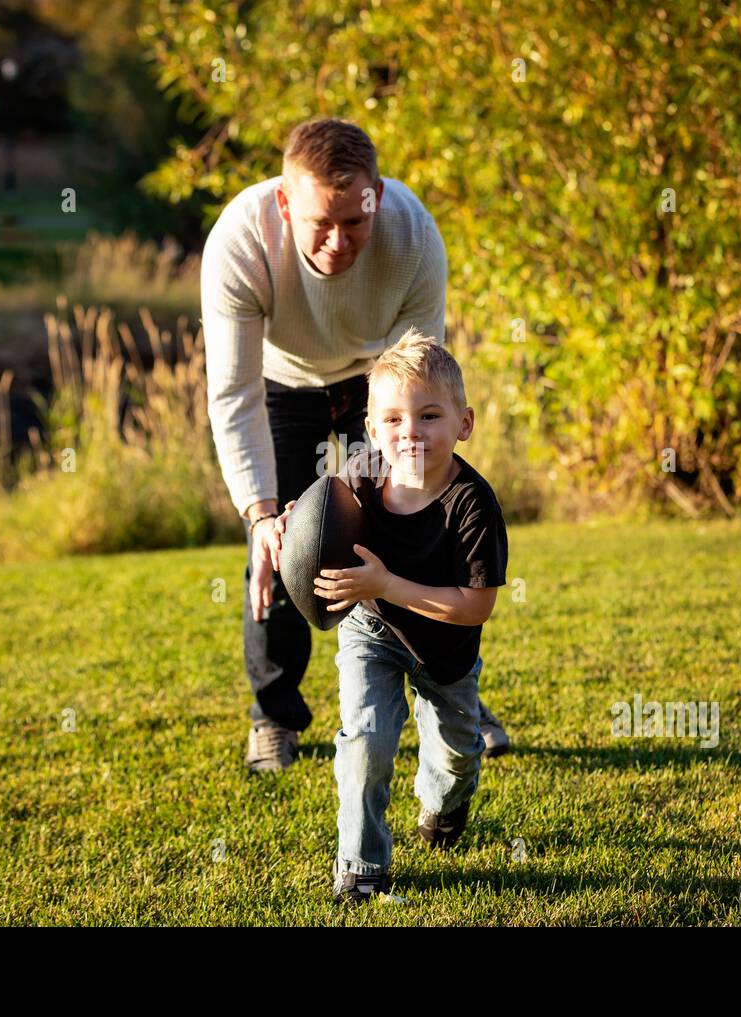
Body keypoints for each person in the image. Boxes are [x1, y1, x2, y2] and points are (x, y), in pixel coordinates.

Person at [200, 116, 512, 773]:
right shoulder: (240, 240)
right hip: (283, 389)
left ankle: (450, 690)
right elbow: (234, 394)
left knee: (411, 524)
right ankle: (275, 715)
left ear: (378, 196)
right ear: (285, 204)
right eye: (321, 223)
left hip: (378, 387)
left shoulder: (414, 234)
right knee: (287, 542)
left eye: (356, 221)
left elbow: (420, 376)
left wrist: (392, 463)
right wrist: (260, 515)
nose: (340, 242)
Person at [269, 328, 507, 903]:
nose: (411, 433)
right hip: (370, 629)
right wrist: (292, 526)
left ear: (464, 423)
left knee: (456, 757)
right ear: (372, 429)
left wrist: (388, 583)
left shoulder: (472, 505)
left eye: (429, 416)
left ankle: (443, 806)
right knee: (366, 741)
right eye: (394, 420)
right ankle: (361, 867)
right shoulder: (360, 475)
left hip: (444, 648)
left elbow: (476, 604)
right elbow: (320, 516)